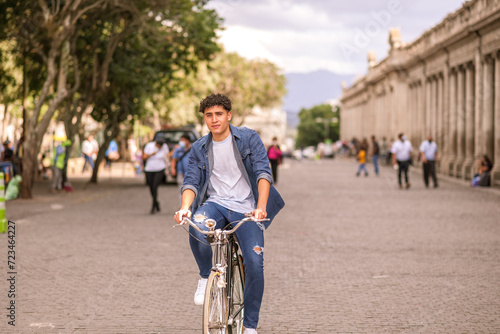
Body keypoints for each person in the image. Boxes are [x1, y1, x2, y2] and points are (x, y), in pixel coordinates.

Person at [173, 93, 285, 334]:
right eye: (209, 115)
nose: (214, 120)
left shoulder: (248, 138)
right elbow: (191, 182)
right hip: (215, 204)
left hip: (246, 208)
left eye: (219, 114)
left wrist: (261, 207)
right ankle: (205, 277)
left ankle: (250, 326)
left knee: (254, 262)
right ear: (204, 118)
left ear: (228, 115)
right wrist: (184, 208)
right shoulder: (200, 147)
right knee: (196, 225)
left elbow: (263, 173)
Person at [143, 137, 169, 214]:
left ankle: (153, 206)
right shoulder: (149, 146)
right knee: (151, 187)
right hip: (149, 169)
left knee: (155, 186)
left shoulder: (164, 147)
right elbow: (144, 157)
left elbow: (167, 156)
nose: (159, 147)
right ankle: (156, 202)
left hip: (160, 168)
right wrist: (151, 154)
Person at [170, 133, 192, 200]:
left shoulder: (193, 149)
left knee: (191, 190)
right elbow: (173, 159)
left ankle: (191, 207)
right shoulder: (178, 149)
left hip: (191, 173)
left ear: (187, 141)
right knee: (181, 189)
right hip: (181, 172)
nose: (181, 142)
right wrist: (173, 169)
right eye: (181, 140)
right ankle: (182, 207)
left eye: (183, 140)